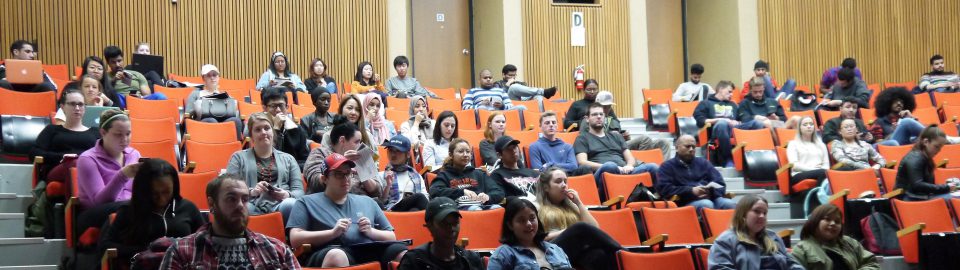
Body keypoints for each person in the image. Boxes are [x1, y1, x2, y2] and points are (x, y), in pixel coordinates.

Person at [288, 153, 406, 267]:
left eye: (348, 173)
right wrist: (332, 233)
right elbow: (295, 239)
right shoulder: (306, 202)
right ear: (324, 179)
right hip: (330, 250)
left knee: (402, 253)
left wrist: (371, 231)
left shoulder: (368, 201)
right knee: (337, 256)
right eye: (338, 174)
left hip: (367, 250)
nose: (345, 179)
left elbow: (391, 236)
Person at [160, 173, 301, 269]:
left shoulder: (277, 250)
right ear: (212, 204)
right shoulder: (182, 253)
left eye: (245, 199)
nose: (240, 205)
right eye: (231, 199)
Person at [100, 159, 204, 269]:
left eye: (166, 192)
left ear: (175, 186)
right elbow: (106, 246)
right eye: (154, 193)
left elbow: (205, 240)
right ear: (143, 190)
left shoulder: (188, 208)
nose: (161, 199)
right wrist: (147, 250)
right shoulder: (128, 211)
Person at [75, 109, 141, 243]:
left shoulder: (134, 154)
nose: (125, 139)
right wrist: (122, 175)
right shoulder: (87, 159)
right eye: (118, 135)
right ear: (103, 133)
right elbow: (100, 202)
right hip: (93, 214)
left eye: (128, 134)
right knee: (132, 207)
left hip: (129, 209)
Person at [536, 167, 621, 270]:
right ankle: (622, 252)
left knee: (599, 255)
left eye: (565, 181)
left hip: (572, 251)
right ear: (546, 187)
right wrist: (568, 231)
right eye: (558, 182)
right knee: (579, 227)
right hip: (549, 250)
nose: (564, 185)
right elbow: (536, 238)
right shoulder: (536, 207)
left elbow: (594, 228)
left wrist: (579, 203)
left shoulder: (572, 206)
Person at [226, 112, 304, 221]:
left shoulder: (289, 159)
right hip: (251, 203)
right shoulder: (238, 158)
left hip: (282, 204)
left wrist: (287, 194)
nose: (263, 132)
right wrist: (252, 192)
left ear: (273, 132)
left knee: (291, 204)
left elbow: (299, 192)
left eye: (267, 128)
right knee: (242, 207)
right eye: (258, 130)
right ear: (251, 136)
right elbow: (229, 187)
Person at [575, 103, 659, 201]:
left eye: (601, 114)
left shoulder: (616, 136)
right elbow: (582, 162)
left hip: (624, 171)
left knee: (653, 167)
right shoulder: (582, 138)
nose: (598, 117)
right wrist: (613, 167)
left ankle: (661, 199)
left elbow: (630, 158)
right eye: (594, 114)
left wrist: (629, 166)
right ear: (587, 118)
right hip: (603, 172)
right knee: (610, 166)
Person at [708, 195, 803, 270]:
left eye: (764, 213)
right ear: (743, 214)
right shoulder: (725, 240)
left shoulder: (773, 237)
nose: (762, 216)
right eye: (757, 211)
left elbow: (791, 264)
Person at [32, 89, 101, 188]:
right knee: (75, 163)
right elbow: (34, 153)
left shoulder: (95, 132)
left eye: (81, 104)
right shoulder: (52, 130)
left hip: (89, 168)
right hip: (58, 169)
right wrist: (63, 157)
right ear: (62, 107)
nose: (77, 108)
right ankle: (76, 202)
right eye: (72, 104)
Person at [396, 197, 485, 270]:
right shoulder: (414, 261)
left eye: (455, 223)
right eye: (444, 224)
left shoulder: (470, 259)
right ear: (430, 226)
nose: (451, 228)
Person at [694, 80, 766, 167]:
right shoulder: (706, 103)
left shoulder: (733, 104)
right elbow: (700, 121)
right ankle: (728, 158)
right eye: (729, 92)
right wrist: (722, 120)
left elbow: (743, 120)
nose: (731, 95)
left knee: (757, 123)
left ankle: (754, 157)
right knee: (722, 124)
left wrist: (738, 122)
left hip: (734, 129)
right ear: (720, 89)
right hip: (717, 130)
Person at [488, 198, 573, 270]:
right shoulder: (503, 254)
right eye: (521, 220)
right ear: (510, 225)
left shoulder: (556, 250)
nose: (529, 224)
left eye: (532, 218)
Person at [579, 90, 671, 157]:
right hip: (606, 148)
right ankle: (642, 163)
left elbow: (619, 134)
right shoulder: (589, 119)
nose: (607, 109)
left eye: (609, 106)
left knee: (663, 142)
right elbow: (584, 139)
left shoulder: (611, 118)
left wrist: (624, 136)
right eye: (604, 106)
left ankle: (663, 170)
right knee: (645, 139)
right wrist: (611, 137)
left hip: (620, 144)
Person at [303, 120, 381, 198]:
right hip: (329, 203)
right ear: (342, 140)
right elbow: (315, 182)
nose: (360, 146)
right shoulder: (320, 153)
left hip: (361, 203)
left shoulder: (359, 158)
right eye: (357, 142)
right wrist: (341, 161)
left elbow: (377, 192)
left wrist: (363, 174)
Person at [655, 135, 734, 210]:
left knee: (729, 204)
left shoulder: (704, 163)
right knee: (706, 204)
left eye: (693, 147)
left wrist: (710, 192)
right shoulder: (667, 166)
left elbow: (720, 183)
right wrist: (691, 191)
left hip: (711, 198)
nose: (691, 149)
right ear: (676, 148)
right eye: (687, 146)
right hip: (685, 202)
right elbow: (665, 189)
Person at [791, 204, 880, 270]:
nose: (833, 223)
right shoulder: (801, 249)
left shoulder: (850, 243)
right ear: (815, 221)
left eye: (837, 221)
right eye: (827, 219)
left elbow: (872, 263)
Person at [429, 138, 505, 209]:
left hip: (482, 206)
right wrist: (462, 192)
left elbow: (498, 192)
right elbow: (435, 191)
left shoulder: (480, 174)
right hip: (458, 210)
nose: (465, 155)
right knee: (475, 209)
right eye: (461, 151)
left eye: (468, 152)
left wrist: (488, 197)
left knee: (496, 208)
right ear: (451, 155)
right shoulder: (444, 175)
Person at [895, 125, 959, 201]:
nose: (939, 150)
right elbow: (918, 185)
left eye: (940, 147)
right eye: (936, 146)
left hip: (920, 196)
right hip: (910, 199)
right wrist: (946, 187)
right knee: (956, 198)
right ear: (926, 142)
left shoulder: (924, 156)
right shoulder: (915, 158)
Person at [185, 64, 242, 139]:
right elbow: (188, 114)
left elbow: (233, 111)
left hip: (223, 124)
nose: (212, 78)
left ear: (218, 77)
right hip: (201, 125)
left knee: (235, 121)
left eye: (214, 75)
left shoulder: (224, 95)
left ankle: (235, 147)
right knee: (210, 120)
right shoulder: (196, 94)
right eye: (208, 75)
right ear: (203, 78)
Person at [528, 111, 592, 175]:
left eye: (553, 122)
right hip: (548, 180)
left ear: (557, 126)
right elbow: (538, 170)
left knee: (585, 168)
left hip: (569, 178)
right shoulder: (534, 147)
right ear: (540, 127)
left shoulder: (567, 147)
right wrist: (561, 167)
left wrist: (550, 165)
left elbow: (573, 166)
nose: (551, 125)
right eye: (547, 123)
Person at [258, 87, 310, 165]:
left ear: (287, 107)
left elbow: (304, 160)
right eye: (273, 106)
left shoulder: (297, 129)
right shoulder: (259, 129)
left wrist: (292, 169)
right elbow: (266, 158)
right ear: (265, 108)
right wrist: (276, 129)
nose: (278, 110)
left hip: (293, 170)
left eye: (281, 106)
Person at [379, 135, 430, 211]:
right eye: (390, 150)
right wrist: (387, 186)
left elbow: (425, 198)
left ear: (408, 154)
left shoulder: (416, 176)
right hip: (390, 211)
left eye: (398, 151)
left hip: (409, 212)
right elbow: (380, 203)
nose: (393, 154)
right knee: (419, 197)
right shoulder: (381, 175)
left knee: (415, 209)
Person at [489, 136, 539, 201]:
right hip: (519, 207)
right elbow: (501, 199)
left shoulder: (534, 173)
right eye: (508, 149)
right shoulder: (497, 175)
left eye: (514, 147)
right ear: (499, 155)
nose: (513, 151)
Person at [787, 117, 830, 186]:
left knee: (828, 173)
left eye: (811, 124)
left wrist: (819, 170)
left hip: (820, 172)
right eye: (805, 124)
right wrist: (814, 169)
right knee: (823, 173)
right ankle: (820, 195)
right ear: (799, 128)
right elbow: (794, 166)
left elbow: (826, 165)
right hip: (799, 174)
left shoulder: (821, 145)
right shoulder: (793, 144)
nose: (809, 126)